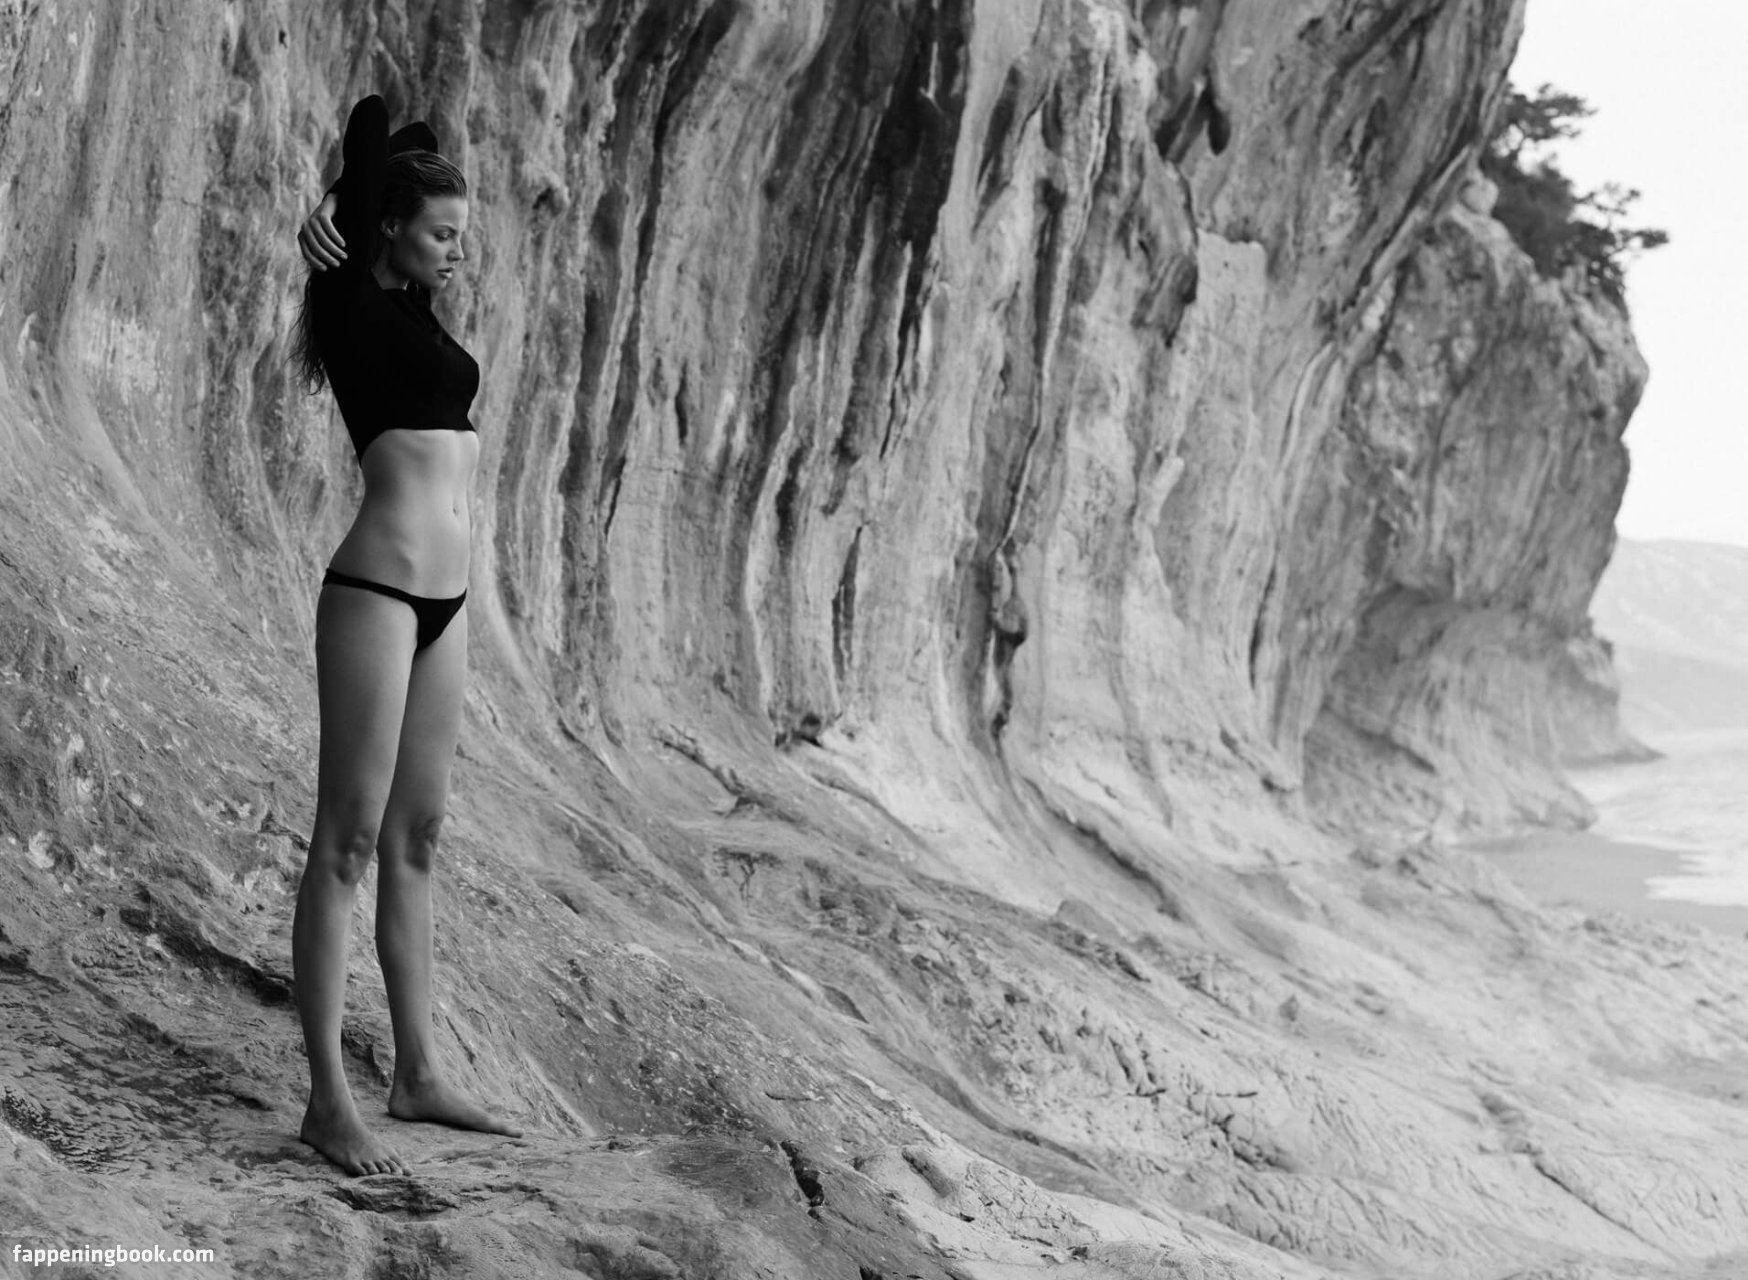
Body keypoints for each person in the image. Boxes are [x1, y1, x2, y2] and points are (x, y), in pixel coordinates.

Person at [290, 93, 520, 1176]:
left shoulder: (424, 315)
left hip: (449, 603)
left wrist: (372, 200)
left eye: (461, 237)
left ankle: (417, 1072)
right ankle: (328, 1098)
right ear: (385, 227)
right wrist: (333, 205)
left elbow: (409, 137)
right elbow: (377, 117)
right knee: (344, 839)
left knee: (416, 836)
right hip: (376, 592)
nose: (456, 253)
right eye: (441, 234)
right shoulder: (346, 298)